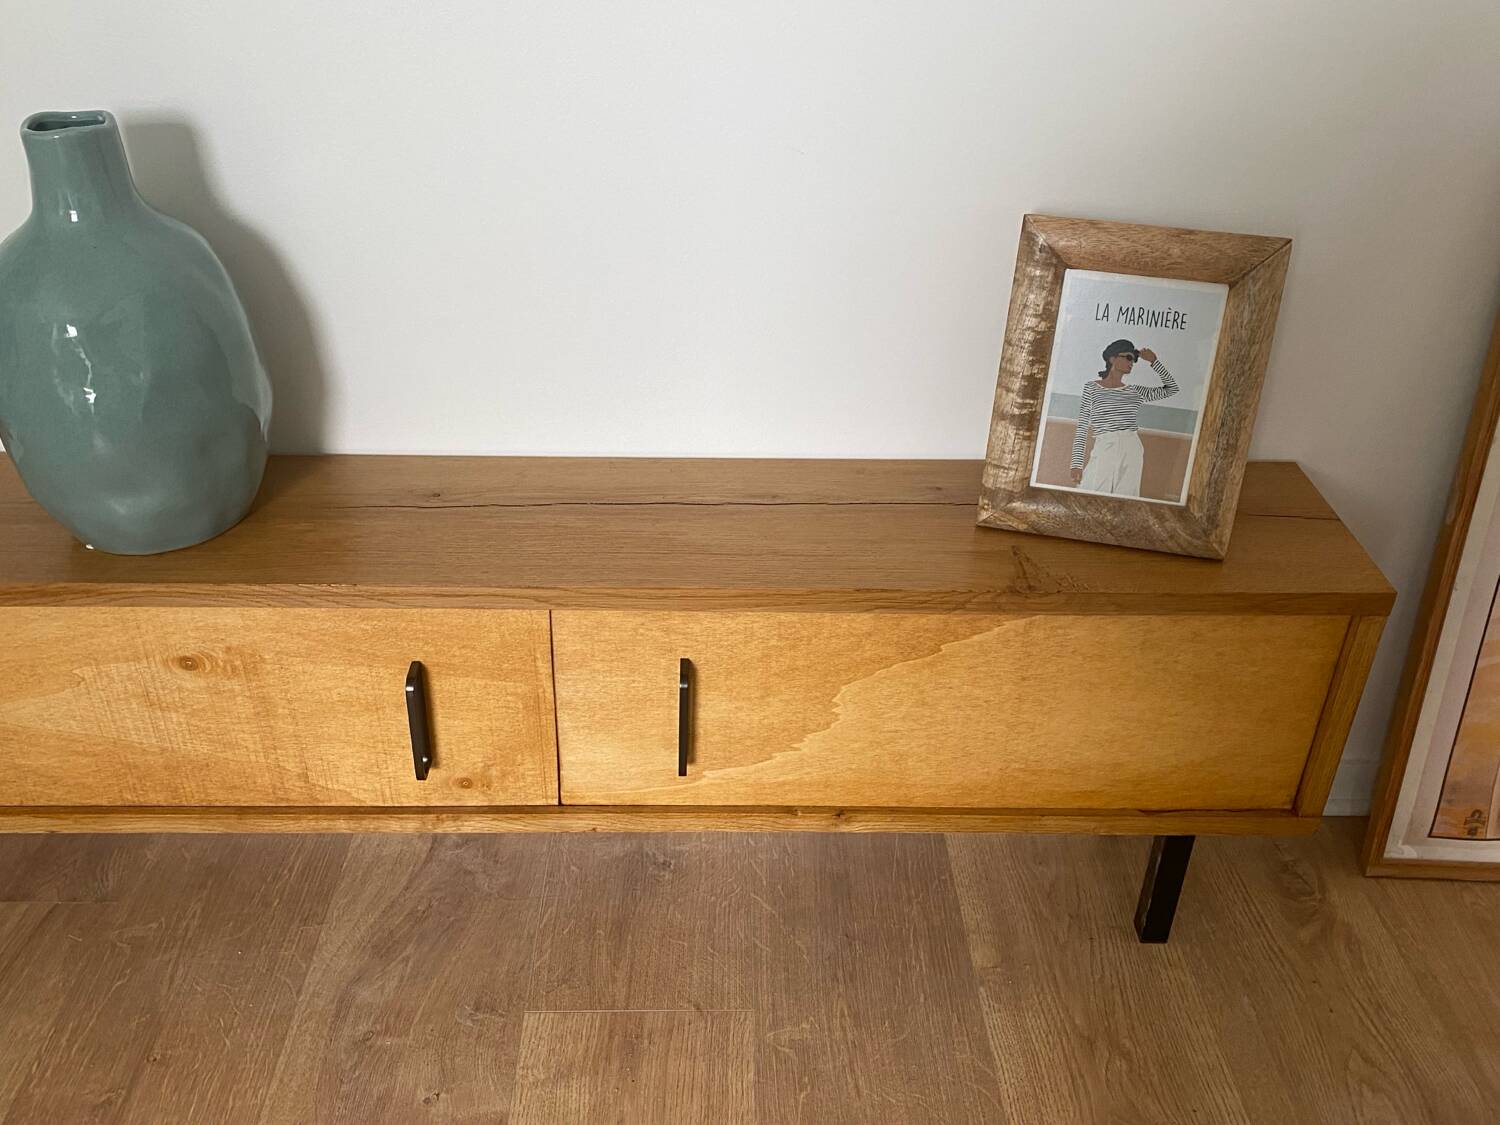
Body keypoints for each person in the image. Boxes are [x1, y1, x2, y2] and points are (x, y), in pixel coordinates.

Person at [1069, 338, 1178, 497]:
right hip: (1104, 444)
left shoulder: (1136, 391)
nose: (1131, 362)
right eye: (1127, 357)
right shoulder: (1091, 388)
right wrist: (1076, 464)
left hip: (1131, 447)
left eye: (1133, 359)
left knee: (1126, 497)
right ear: (1112, 358)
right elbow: (1082, 426)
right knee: (1090, 494)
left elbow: (1172, 389)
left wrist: (1154, 361)